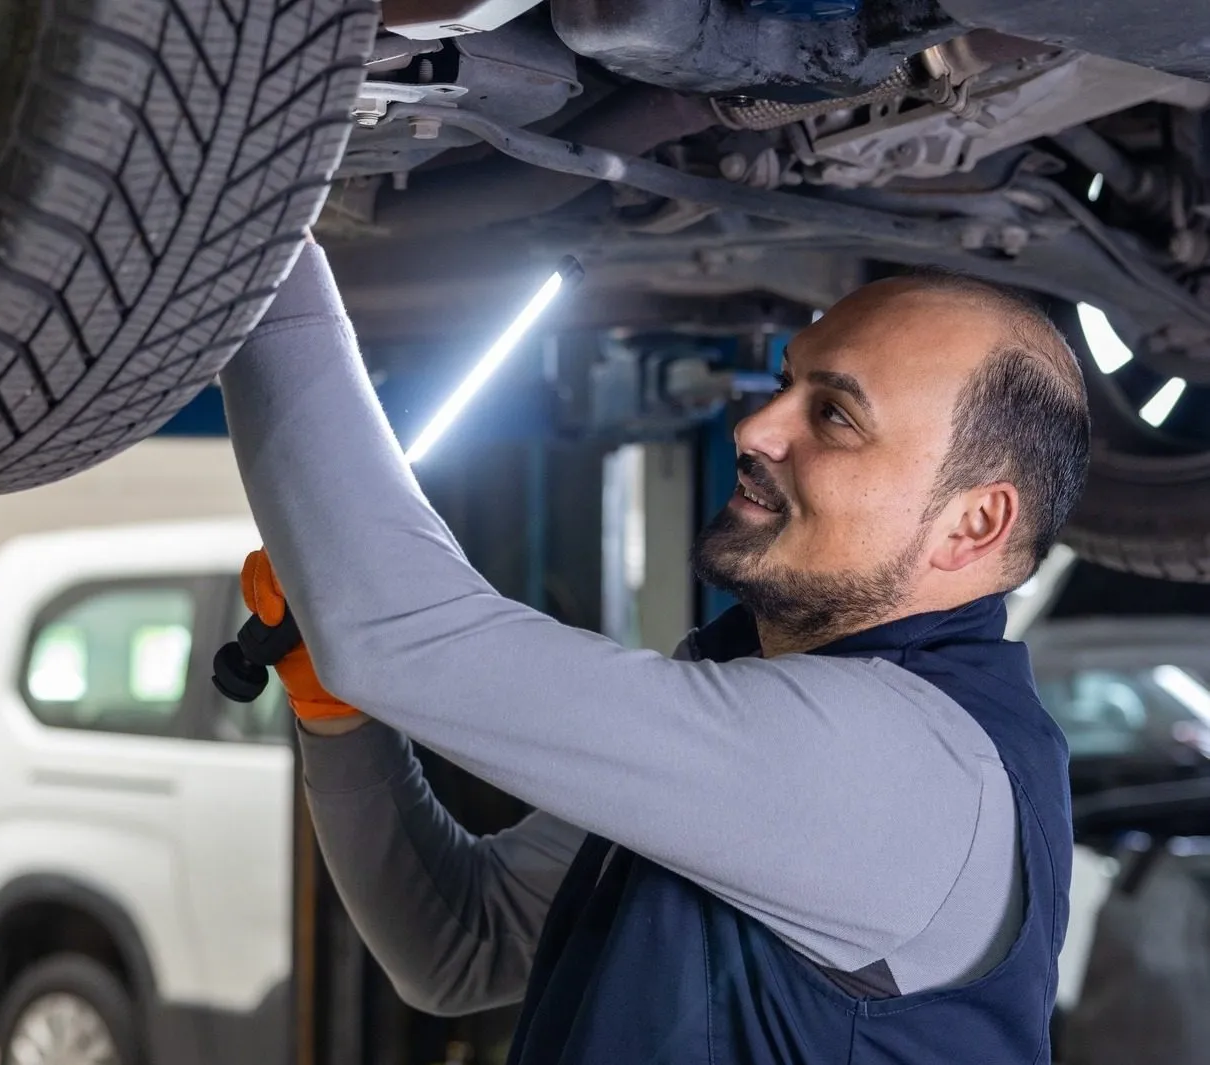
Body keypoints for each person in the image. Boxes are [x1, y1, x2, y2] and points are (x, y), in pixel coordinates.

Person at [221, 240, 1090, 1065]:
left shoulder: (905, 768)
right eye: (786, 382)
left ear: (974, 522)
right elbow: (462, 944)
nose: (755, 426)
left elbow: (391, 629)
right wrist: (340, 722)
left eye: (834, 413)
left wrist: (248, 200)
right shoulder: (761, 699)